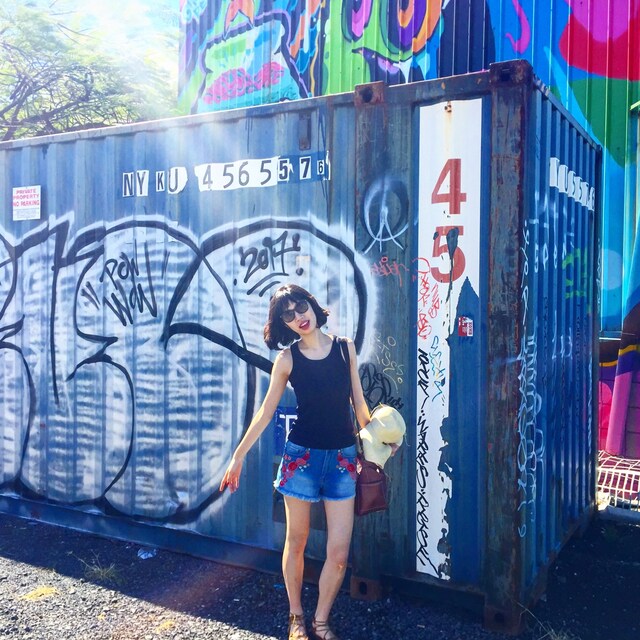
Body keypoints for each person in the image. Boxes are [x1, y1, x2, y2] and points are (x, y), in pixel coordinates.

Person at [220, 284, 371, 640]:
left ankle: (321, 620)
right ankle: (296, 617)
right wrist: (237, 456)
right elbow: (265, 412)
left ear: (312, 305)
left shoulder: (345, 348)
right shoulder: (287, 360)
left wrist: (381, 440)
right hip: (301, 459)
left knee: (338, 554)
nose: (298, 316)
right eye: (287, 315)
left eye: (300, 306)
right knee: (297, 541)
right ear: (283, 324)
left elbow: (359, 406)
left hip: (342, 460)